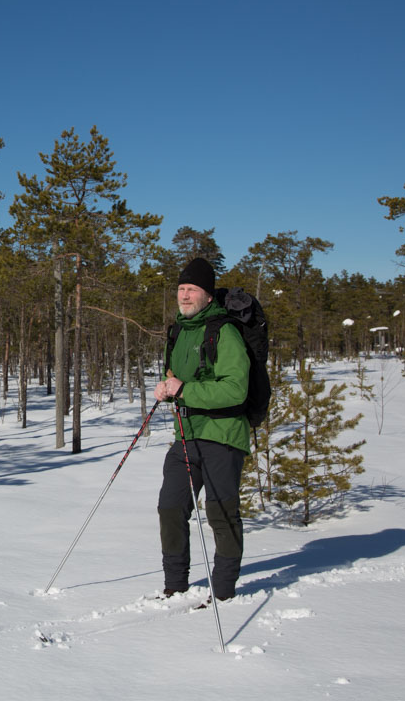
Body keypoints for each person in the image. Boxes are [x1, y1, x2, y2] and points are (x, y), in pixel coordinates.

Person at [153, 257, 251, 601]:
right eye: (180, 288)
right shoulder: (178, 331)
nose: (184, 295)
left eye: (191, 289)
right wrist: (166, 389)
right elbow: (176, 378)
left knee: (221, 513)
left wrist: (183, 390)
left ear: (208, 296)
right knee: (170, 506)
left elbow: (236, 389)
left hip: (223, 435)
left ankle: (223, 590)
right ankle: (175, 585)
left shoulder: (225, 332)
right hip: (186, 434)